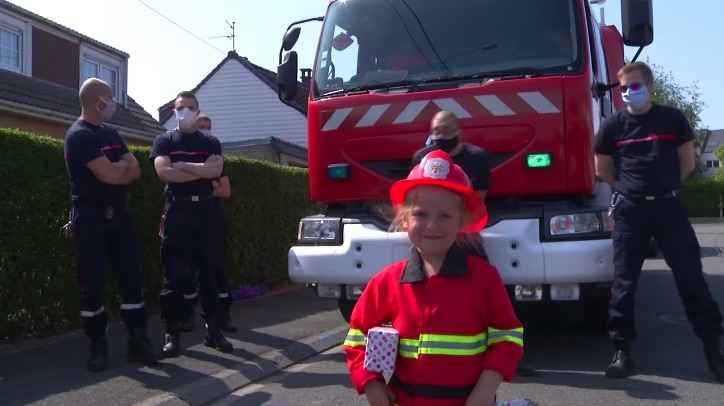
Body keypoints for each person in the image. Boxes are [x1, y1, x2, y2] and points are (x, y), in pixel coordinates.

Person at [344, 149, 524, 406]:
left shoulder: (485, 279)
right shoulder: (386, 283)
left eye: (445, 216)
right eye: (420, 214)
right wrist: (371, 383)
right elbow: (357, 338)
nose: (432, 225)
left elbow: (508, 337)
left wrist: (486, 388)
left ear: (462, 220)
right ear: (404, 219)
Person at [594, 61, 724, 382]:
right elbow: (602, 169)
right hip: (630, 212)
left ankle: (714, 349)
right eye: (623, 88)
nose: (628, 93)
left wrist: (661, 188)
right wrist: (630, 190)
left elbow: (687, 163)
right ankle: (622, 351)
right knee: (623, 287)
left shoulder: (672, 118)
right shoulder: (613, 125)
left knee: (692, 281)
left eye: (634, 86)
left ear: (649, 87)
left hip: (668, 210)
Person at [411, 111, 537, 377]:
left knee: (486, 292)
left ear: (458, 129)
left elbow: (474, 202)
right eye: (436, 130)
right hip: (433, 238)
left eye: (447, 129)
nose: (441, 136)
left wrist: (455, 228)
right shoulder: (421, 158)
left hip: (466, 234)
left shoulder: (477, 158)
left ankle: (508, 356)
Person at [63, 78, 160, 371]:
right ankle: (97, 346)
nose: (113, 104)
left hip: (119, 216)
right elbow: (111, 175)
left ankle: (137, 341)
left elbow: (135, 170)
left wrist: (118, 168)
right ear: (96, 101)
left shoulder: (110, 132)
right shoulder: (78, 135)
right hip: (91, 217)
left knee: (131, 278)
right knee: (91, 284)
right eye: (109, 98)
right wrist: (118, 168)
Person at [149, 91, 233, 357]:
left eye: (191, 107)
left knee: (208, 275)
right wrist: (200, 169)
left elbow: (215, 172)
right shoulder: (164, 140)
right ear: (174, 112)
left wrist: (182, 164)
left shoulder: (210, 142)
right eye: (181, 107)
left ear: (198, 111)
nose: (186, 111)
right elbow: (164, 172)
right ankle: (171, 333)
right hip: (177, 210)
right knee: (173, 276)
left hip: (205, 211)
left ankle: (213, 331)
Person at [177, 113, 237, 334]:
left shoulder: (215, 158)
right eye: (201, 126)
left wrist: (195, 182)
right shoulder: (184, 152)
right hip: (186, 216)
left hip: (212, 217)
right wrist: (203, 178)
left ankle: (224, 316)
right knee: (186, 270)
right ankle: (186, 316)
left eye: (208, 126)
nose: (205, 129)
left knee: (218, 268)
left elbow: (225, 189)